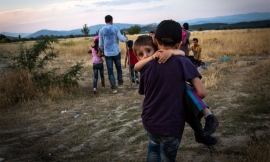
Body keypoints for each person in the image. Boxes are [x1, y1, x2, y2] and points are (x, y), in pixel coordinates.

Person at [134, 20, 217, 161]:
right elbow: (202, 93)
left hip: (149, 122)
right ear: (179, 44)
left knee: (153, 149)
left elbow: (144, 91)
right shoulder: (183, 61)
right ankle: (206, 121)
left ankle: (200, 132)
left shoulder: (145, 66)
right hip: (170, 126)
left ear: (154, 40)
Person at [98, 15, 127, 94]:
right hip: (116, 51)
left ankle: (114, 87)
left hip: (107, 53)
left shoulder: (101, 30)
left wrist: (103, 50)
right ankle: (120, 84)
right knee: (118, 68)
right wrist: (126, 38)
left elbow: (100, 44)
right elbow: (121, 38)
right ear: (111, 20)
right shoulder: (115, 28)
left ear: (105, 21)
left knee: (110, 70)